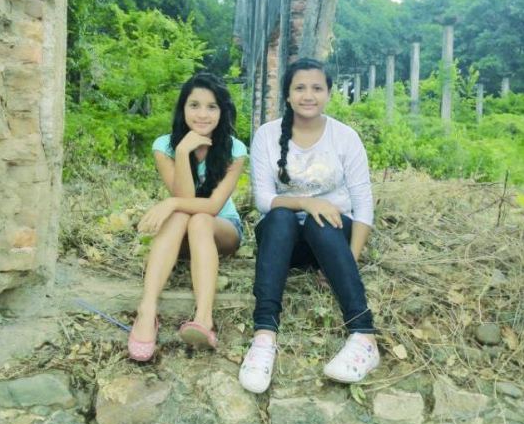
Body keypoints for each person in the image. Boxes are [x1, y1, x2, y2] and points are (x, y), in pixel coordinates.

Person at [239, 58, 379, 393]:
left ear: (328, 93)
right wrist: (305, 202)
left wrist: (347, 260)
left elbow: (363, 206)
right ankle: (264, 336)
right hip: (282, 243)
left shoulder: (345, 137)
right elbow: (264, 200)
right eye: (299, 88)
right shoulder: (267, 135)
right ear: (287, 95)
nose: (308, 95)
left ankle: (364, 335)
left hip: (331, 239)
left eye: (317, 88)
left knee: (322, 221)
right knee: (280, 217)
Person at [130, 72, 247, 361]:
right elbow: (184, 196)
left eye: (211, 107)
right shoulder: (165, 146)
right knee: (182, 215)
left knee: (197, 218)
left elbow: (214, 206)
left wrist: (170, 203)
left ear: (222, 111)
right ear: (183, 108)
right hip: (181, 233)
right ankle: (147, 310)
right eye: (194, 105)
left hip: (221, 229)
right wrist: (183, 151)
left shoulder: (235, 149)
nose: (202, 114)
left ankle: (204, 319)